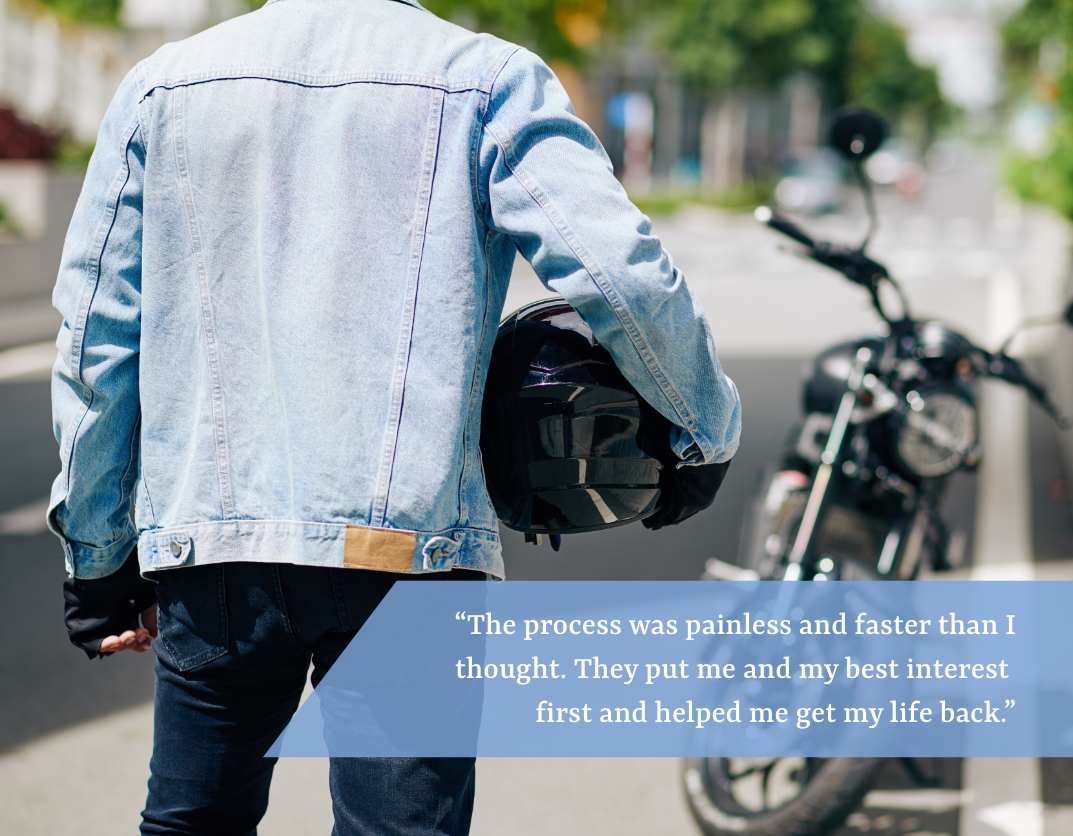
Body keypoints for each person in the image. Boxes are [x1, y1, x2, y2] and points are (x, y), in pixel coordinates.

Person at [49, 0, 742, 833]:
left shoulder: (162, 86)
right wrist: (701, 432)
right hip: (412, 547)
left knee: (193, 822)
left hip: (216, 545)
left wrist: (97, 555)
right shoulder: (488, 80)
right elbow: (625, 278)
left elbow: (96, 339)